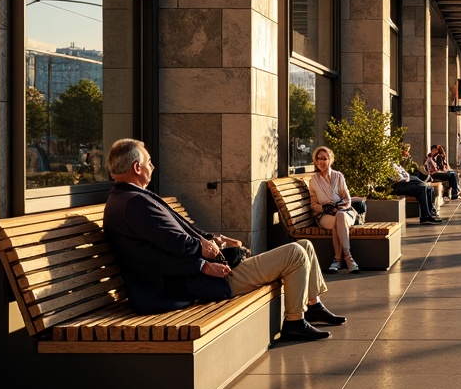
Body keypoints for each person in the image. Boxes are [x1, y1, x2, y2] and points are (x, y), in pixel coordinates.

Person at [102, 138, 344, 342]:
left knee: (306, 245)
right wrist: (203, 261)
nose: (152, 166)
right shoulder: (134, 203)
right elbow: (165, 251)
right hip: (202, 281)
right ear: (136, 167)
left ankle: (313, 306)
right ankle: (294, 322)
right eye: (148, 162)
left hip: (200, 274)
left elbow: (165, 242)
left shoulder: (128, 198)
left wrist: (213, 239)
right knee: (295, 253)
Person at [308, 146, 360, 272]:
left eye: (324, 158)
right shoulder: (313, 180)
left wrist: (341, 207)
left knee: (340, 217)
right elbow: (313, 203)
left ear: (330, 160)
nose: (321, 161)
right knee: (338, 220)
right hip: (324, 215)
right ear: (315, 161)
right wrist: (323, 207)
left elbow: (347, 198)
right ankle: (349, 259)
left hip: (343, 213)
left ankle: (338, 259)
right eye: (318, 158)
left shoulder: (338, 176)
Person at [390, 156, 442, 224]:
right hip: (398, 185)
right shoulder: (386, 166)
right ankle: (425, 217)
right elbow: (397, 178)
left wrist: (406, 177)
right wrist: (405, 177)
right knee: (422, 188)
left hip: (406, 182)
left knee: (429, 188)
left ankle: (431, 213)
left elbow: (405, 174)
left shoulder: (394, 164)